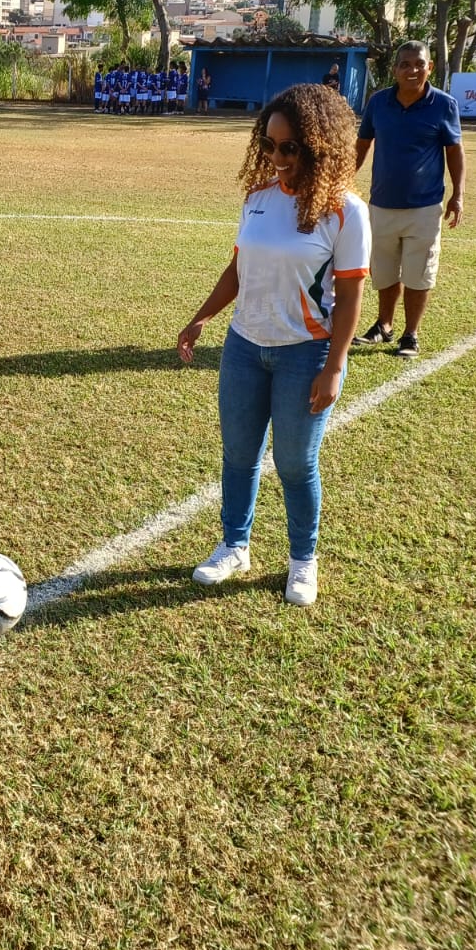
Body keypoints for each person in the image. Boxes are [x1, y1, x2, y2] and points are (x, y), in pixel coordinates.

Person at [177, 84, 371, 607]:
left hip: (304, 354)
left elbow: (351, 297)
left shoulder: (345, 212)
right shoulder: (257, 199)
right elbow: (238, 269)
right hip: (244, 348)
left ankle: (302, 561)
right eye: (270, 145)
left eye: (290, 148)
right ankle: (234, 546)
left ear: (319, 146)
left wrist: (335, 366)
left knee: (294, 464)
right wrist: (202, 318)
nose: (278, 158)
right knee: (238, 456)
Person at [351, 41, 465, 358]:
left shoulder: (444, 105)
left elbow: (454, 152)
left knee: (418, 273)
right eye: (405, 64)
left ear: (429, 67)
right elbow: (361, 145)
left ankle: (410, 335)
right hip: (381, 204)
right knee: (384, 271)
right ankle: (383, 326)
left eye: (418, 64)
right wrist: (342, 180)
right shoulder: (378, 103)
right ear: (395, 68)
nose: (412, 70)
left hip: (424, 208)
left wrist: (458, 194)